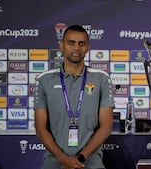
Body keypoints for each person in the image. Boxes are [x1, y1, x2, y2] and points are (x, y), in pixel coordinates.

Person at [34, 25, 115, 169]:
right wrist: (63, 158)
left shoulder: (101, 79)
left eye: (81, 43)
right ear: (62, 46)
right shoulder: (44, 80)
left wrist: (80, 158)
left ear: (88, 47)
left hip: (90, 161)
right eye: (71, 43)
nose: (76, 48)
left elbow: (107, 126)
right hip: (54, 162)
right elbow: (40, 129)